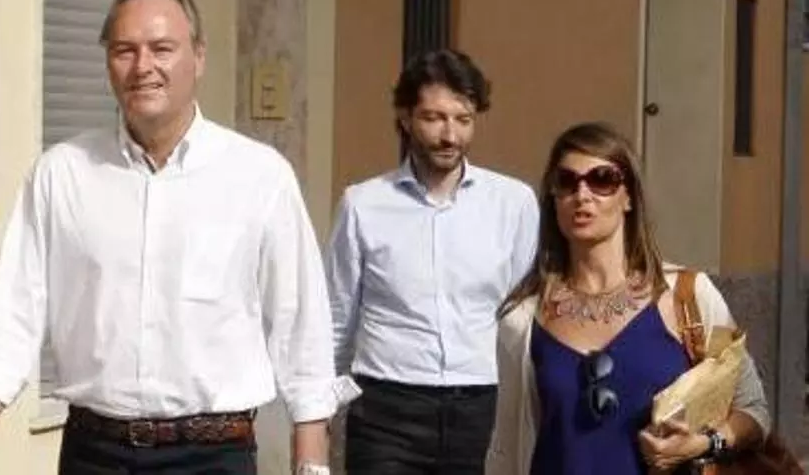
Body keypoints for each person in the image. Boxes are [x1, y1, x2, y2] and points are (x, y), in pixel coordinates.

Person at [0, 0, 336, 474]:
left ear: (198, 57)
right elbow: (14, 307)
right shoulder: (62, 174)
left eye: (162, 48)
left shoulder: (259, 176)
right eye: (124, 51)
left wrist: (311, 459)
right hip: (95, 453)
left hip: (213, 457)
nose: (142, 66)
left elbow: (300, 321)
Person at [485, 122, 769, 475]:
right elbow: (506, 450)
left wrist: (701, 443)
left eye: (602, 179)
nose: (582, 195)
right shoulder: (522, 319)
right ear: (554, 199)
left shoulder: (689, 296)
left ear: (629, 197)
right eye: (567, 182)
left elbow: (753, 409)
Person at [326, 49, 540, 474]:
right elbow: (336, 319)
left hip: (482, 406)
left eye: (463, 119)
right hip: (387, 411)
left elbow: (527, 316)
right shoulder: (363, 204)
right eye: (434, 118)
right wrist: (321, 413)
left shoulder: (513, 203)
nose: (450, 136)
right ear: (405, 118)